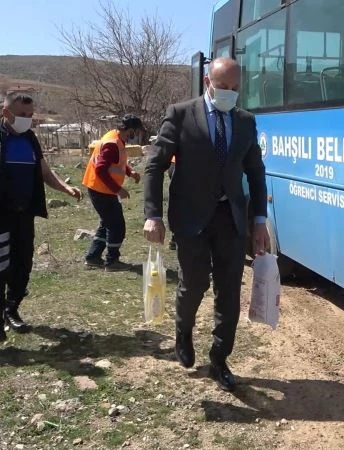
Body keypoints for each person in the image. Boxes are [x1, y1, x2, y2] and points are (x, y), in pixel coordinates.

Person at [143, 57, 270, 392]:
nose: (228, 93)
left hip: (231, 219)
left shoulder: (245, 122)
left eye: (234, 88)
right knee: (194, 284)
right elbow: (155, 166)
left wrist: (260, 220)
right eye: (222, 86)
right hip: (191, 218)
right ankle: (183, 332)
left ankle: (219, 358)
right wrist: (152, 214)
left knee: (229, 291)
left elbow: (255, 173)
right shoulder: (181, 114)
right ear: (207, 83)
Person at [0, 92, 82, 342]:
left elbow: (45, 172)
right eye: (22, 115)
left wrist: (65, 188)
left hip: (24, 214)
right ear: (6, 113)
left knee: (23, 265)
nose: (27, 119)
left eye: (30, 115)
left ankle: (10, 308)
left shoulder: (30, 139)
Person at [81, 114, 142, 271]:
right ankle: (112, 261)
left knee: (107, 223)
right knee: (116, 225)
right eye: (136, 131)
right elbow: (101, 169)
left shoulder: (115, 137)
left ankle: (93, 257)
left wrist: (130, 172)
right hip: (101, 189)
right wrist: (118, 189)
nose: (136, 135)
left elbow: (116, 163)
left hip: (99, 187)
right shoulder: (113, 144)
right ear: (130, 130)